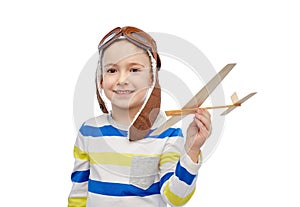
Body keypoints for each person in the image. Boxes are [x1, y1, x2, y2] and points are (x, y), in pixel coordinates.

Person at [68, 26, 212, 207]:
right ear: (101, 80)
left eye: (134, 70)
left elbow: (175, 198)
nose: (122, 80)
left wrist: (191, 151)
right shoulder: (89, 132)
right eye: (112, 70)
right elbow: (78, 192)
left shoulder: (167, 135)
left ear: (152, 78)